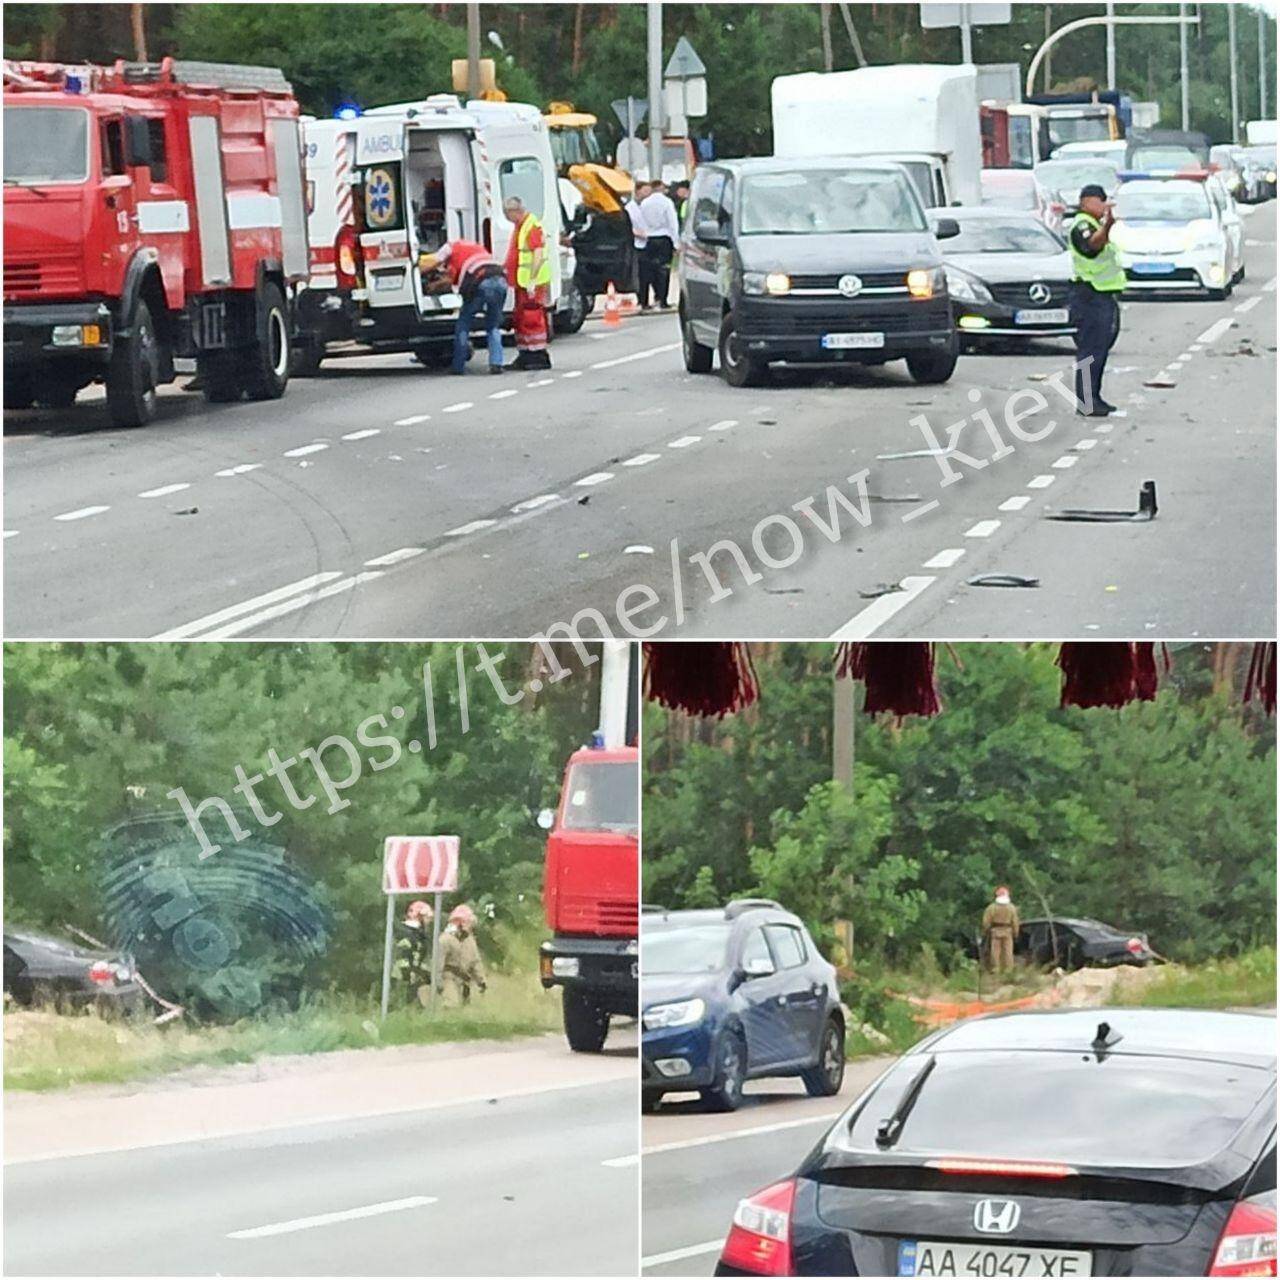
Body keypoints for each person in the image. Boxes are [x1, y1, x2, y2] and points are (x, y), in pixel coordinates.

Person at [1067, 183, 1125, 416]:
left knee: (1100, 349)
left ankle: (1094, 397)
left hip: (1102, 293)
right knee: (1090, 350)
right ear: (1086, 202)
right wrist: (1108, 226)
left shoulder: (1094, 224)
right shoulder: (1082, 225)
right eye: (1099, 201)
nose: (1103, 206)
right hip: (1090, 295)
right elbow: (1092, 246)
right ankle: (1086, 402)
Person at [419, 239, 507, 375]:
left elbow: (436, 260)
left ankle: (458, 366)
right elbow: (452, 279)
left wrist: (416, 270)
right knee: (493, 325)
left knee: (463, 324)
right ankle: (496, 363)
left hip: (479, 281)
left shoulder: (449, 246)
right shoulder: (474, 245)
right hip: (500, 278)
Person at [503, 195, 552, 370]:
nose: (508, 219)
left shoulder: (531, 226)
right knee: (522, 318)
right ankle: (526, 354)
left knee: (532, 318)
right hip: (522, 282)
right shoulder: (521, 226)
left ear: (515, 211)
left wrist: (532, 279)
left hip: (532, 282)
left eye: (508, 215)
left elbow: (537, 254)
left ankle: (538, 355)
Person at [639, 180, 680, 310]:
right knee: (664, 270)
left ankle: (648, 298)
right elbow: (672, 223)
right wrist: (676, 242)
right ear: (661, 188)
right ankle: (662, 300)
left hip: (649, 239)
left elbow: (642, 221)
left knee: (650, 270)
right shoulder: (667, 202)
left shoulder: (645, 203)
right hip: (664, 238)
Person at [437, 903, 487, 1005]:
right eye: (468, 922)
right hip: (449, 978)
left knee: (465, 1007)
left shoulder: (470, 941)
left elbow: (475, 962)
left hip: (464, 980)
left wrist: (481, 980)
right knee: (451, 1004)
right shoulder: (445, 939)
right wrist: (438, 982)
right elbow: (438, 962)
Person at [394, 899, 435, 1004]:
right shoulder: (408, 934)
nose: (428, 921)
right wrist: (412, 973)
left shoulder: (417, 934)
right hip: (403, 976)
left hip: (411, 974)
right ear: (419, 917)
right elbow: (405, 957)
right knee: (405, 1003)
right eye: (426, 918)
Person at [981, 885, 1021, 975]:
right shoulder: (1011, 908)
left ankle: (995, 970)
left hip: (995, 931)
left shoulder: (991, 908)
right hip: (1007, 931)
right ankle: (1008, 971)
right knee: (1008, 952)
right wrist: (1016, 933)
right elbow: (1015, 922)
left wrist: (985, 931)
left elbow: (986, 922)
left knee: (995, 952)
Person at [626, 181, 650, 296]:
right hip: (637, 244)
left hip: (650, 243)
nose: (647, 194)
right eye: (645, 191)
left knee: (651, 273)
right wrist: (638, 233)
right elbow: (627, 227)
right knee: (640, 273)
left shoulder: (648, 206)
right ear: (637, 191)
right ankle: (641, 297)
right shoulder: (629, 208)